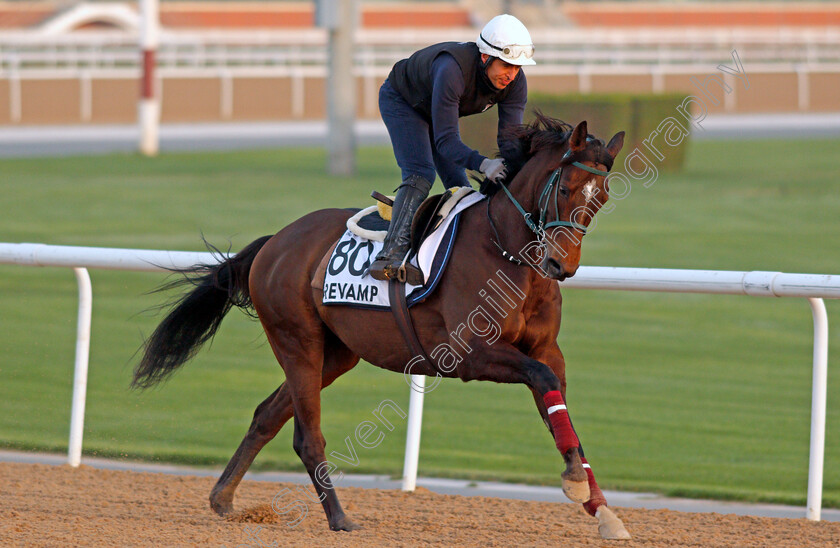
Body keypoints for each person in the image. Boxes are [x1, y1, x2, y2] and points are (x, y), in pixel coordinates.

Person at [368, 14, 536, 285]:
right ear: (485, 58)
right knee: (421, 173)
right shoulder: (452, 70)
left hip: (436, 108)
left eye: (517, 67)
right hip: (403, 101)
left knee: (462, 189)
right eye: (506, 65)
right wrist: (484, 164)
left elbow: (509, 141)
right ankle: (390, 255)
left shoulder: (515, 82)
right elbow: (446, 142)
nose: (512, 74)